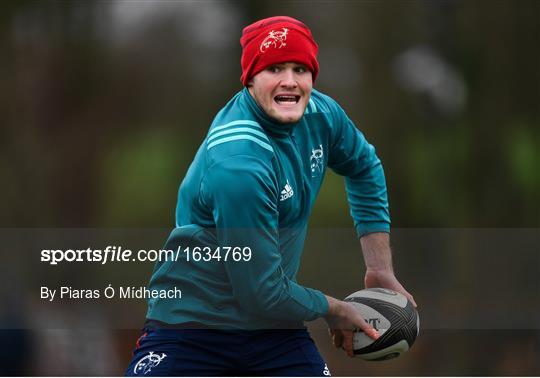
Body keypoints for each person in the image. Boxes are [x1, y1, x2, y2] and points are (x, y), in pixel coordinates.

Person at [125, 15, 416, 376]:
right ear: (250, 79)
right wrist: (333, 309)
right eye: (274, 68)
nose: (290, 82)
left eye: (300, 69)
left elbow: (364, 166)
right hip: (191, 331)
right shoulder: (239, 162)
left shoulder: (322, 114)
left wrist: (379, 268)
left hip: (273, 333)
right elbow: (260, 293)